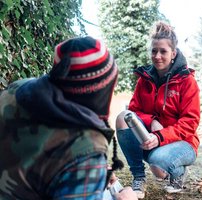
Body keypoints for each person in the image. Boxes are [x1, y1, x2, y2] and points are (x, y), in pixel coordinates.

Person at [0, 36, 137, 200]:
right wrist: (87, 168)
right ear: (102, 90)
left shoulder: (19, 89)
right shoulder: (85, 146)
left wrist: (85, 173)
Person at [116, 21, 200, 199]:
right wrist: (151, 120)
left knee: (158, 165)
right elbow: (133, 111)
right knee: (124, 117)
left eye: (163, 51)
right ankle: (139, 177)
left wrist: (161, 136)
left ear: (173, 53)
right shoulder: (144, 80)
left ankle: (177, 174)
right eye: (154, 51)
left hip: (183, 143)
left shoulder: (187, 81)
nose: (158, 56)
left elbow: (190, 122)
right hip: (152, 139)